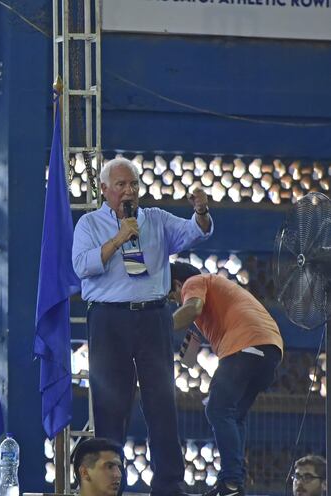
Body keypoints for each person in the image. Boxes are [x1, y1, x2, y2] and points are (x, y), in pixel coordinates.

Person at [71, 157, 213, 495]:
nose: (129, 190)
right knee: (110, 404)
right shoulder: (89, 224)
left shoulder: (156, 220)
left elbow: (194, 232)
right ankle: (109, 485)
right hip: (109, 319)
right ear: (104, 190)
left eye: (133, 184)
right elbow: (81, 266)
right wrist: (119, 238)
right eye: (120, 185)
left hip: (152, 317)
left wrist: (202, 212)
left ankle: (168, 485)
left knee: (161, 401)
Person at [169, 262, 283, 496]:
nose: (174, 302)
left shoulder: (195, 282)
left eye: (172, 295)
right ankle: (233, 484)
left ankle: (231, 481)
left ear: (178, 284)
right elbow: (191, 351)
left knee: (217, 410)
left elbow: (191, 308)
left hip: (246, 344)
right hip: (269, 351)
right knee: (234, 416)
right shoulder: (216, 292)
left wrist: (158, 328)